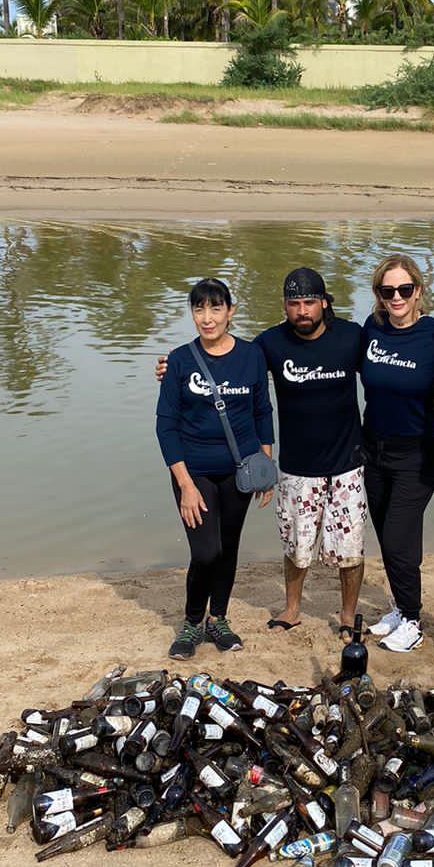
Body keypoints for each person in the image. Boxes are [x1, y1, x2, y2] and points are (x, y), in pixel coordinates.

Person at [155, 278, 274, 659]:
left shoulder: (252, 356)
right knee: (206, 551)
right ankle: (191, 623)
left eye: (215, 308)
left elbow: (262, 411)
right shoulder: (179, 360)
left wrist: (265, 464)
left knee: (229, 548)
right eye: (199, 309)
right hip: (195, 472)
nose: (207, 318)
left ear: (230, 311)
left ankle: (218, 620)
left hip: (240, 469)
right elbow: (165, 424)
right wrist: (185, 485)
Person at [254, 268, 366, 637]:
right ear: (285, 306)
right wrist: (177, 364)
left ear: (324, 302)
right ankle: (292, 608)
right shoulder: (271, 343)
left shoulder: (351, 337)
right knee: (296, 545)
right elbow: (232, 364)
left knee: (350, 548)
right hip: (298, 467)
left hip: (348, 465)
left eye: (309, 302)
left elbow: (388, 375)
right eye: (294, 304)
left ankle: (349, 616)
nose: (302, 311)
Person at [360, 254, 434, 653]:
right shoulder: (372, 328)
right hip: (373, 450)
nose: (396, 297)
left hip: (418, 452)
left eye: (404, 289)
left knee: (399, 537)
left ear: (418, 291)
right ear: (379, 295)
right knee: (386, 532)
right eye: (387, 290)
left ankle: (413, 621)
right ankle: (399, 607)